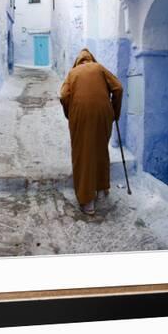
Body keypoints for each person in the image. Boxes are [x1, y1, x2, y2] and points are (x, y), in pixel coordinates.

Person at [59, 48, 123, 216]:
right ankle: (102, 190)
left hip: (81, 114)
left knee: (83, 153)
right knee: (101, 149)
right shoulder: (99, 67)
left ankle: (88, 202)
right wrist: (115, 112)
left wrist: (70, 114)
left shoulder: (73, 73)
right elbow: (118, 88)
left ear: (78, 61)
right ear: (91, 59)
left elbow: (64, 96)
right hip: (103, 113)